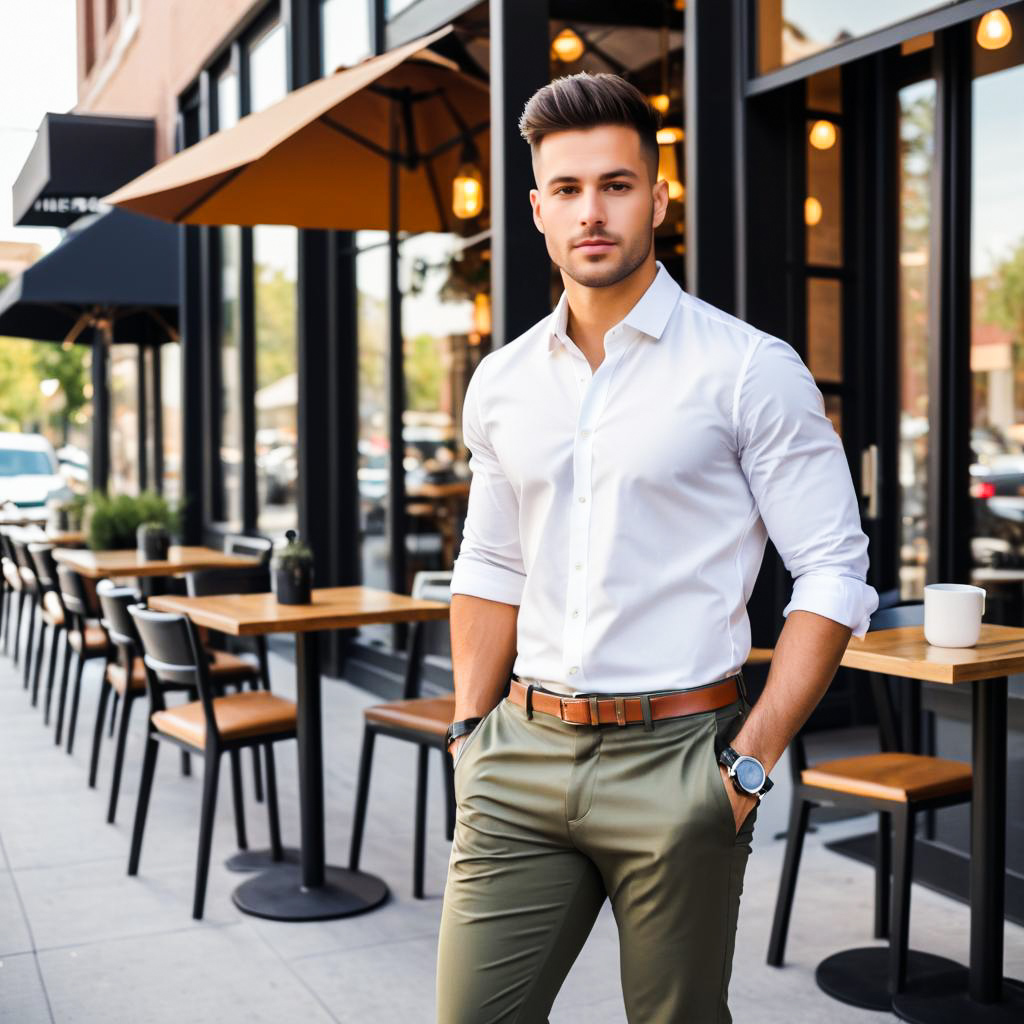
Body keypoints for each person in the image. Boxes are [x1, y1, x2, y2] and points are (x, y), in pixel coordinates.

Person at [436, 70, 878, 1023]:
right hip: (518, 754)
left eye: (617, 184)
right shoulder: (502, 382)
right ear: (538, 212)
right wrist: (471, 735)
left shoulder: (749, 370)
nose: (591, 211)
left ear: (659, 197)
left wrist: (748, 766)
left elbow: (836, 571)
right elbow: (491, 564)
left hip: (682, 760)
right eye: (567, 190)